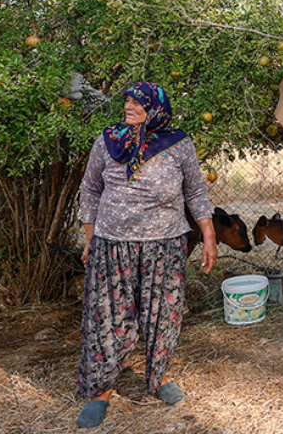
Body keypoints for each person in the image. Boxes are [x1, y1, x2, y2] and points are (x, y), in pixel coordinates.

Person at [75, 82, 218, 428]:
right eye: (126, 100)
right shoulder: (108, 141)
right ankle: (102, 390)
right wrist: (90, 237)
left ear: (155, 108)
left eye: (136, 102)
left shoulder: (179, 144)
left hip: (165, 245)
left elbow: (195, 191)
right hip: (112, 244)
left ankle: (158, 379)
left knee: (163, 315)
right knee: (106, 318)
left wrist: (210, 236)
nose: (128, 107)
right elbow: (90, 189)